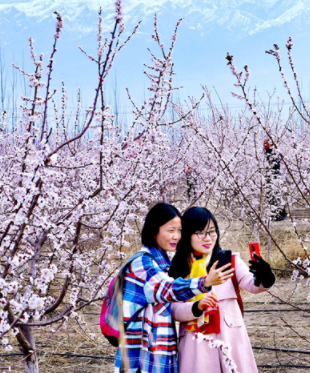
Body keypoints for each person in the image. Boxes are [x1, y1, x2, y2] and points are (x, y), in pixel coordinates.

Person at [116, 203, 235, 373]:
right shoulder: (143, 263)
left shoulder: (163, 262)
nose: (177, 236)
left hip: (163, 346)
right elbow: (168, 289)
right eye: (171, 230)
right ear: (153, 231)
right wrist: (204, 282)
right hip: (144, 350)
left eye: (180, 231)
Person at [170, 208, 275, 373]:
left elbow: (252, 285)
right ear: (187, 234)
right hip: (195, 341)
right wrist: (196, 307)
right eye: (200, 232)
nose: (208, 238)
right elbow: (173, 309)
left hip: (230, 337)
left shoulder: (230, 260)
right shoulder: (179, 267)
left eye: (212, 232)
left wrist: (266, 276)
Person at [263, 140, 286, 221]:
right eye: (264, 144)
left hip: (274, 177)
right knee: (270, 196)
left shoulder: (273, 153)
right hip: (269, 177)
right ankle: (273, 215)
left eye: (266, 143)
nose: (265, 145)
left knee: (275, 195)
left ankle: (280, 215)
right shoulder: (266, 153)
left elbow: (275, 165)